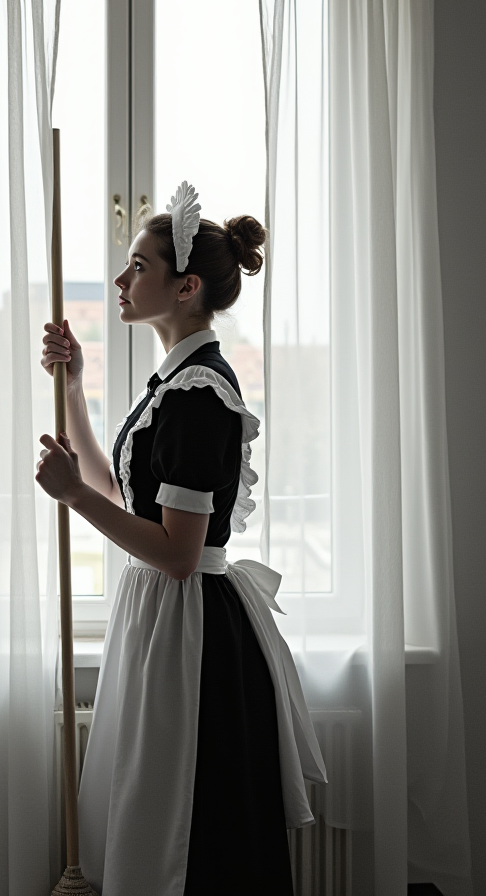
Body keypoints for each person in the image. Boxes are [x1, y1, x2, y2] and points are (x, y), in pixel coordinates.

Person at [35, 183, 326, 896]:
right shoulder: (174, 384)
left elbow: (176, 553)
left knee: (189, 833)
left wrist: (71, 497)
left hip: (194, 635)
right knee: (156, 817)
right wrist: (71, 387)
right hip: (167, 621)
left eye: (138, 266)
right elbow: (118, 491)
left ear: (186, 285)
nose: (120, 280)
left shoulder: (200, 394)